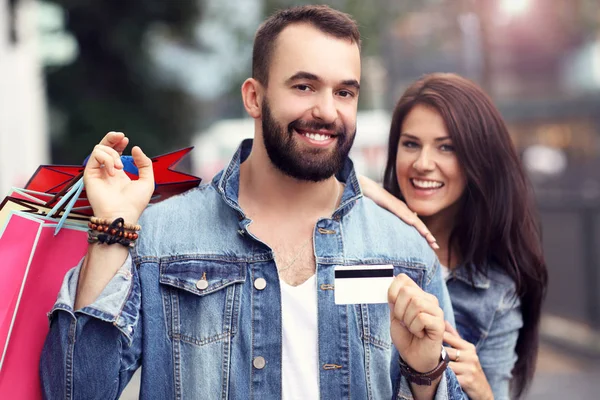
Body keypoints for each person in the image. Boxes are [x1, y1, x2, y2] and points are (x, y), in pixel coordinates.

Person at [40, 6, 465, 400]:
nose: (327, 110)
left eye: (345, 93)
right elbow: (75, 392)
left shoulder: (404, 251)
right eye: (304, 86)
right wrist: (111, 230)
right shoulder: (160, 239)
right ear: (253, 97)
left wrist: (426, 374)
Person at [360, 73, 548, 399]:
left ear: (479, 158)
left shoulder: (495, 292)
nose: (423, 163)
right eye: (410, 144)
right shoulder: (358, 240)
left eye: (446, 147)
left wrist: (481, 388)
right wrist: (364, 188)